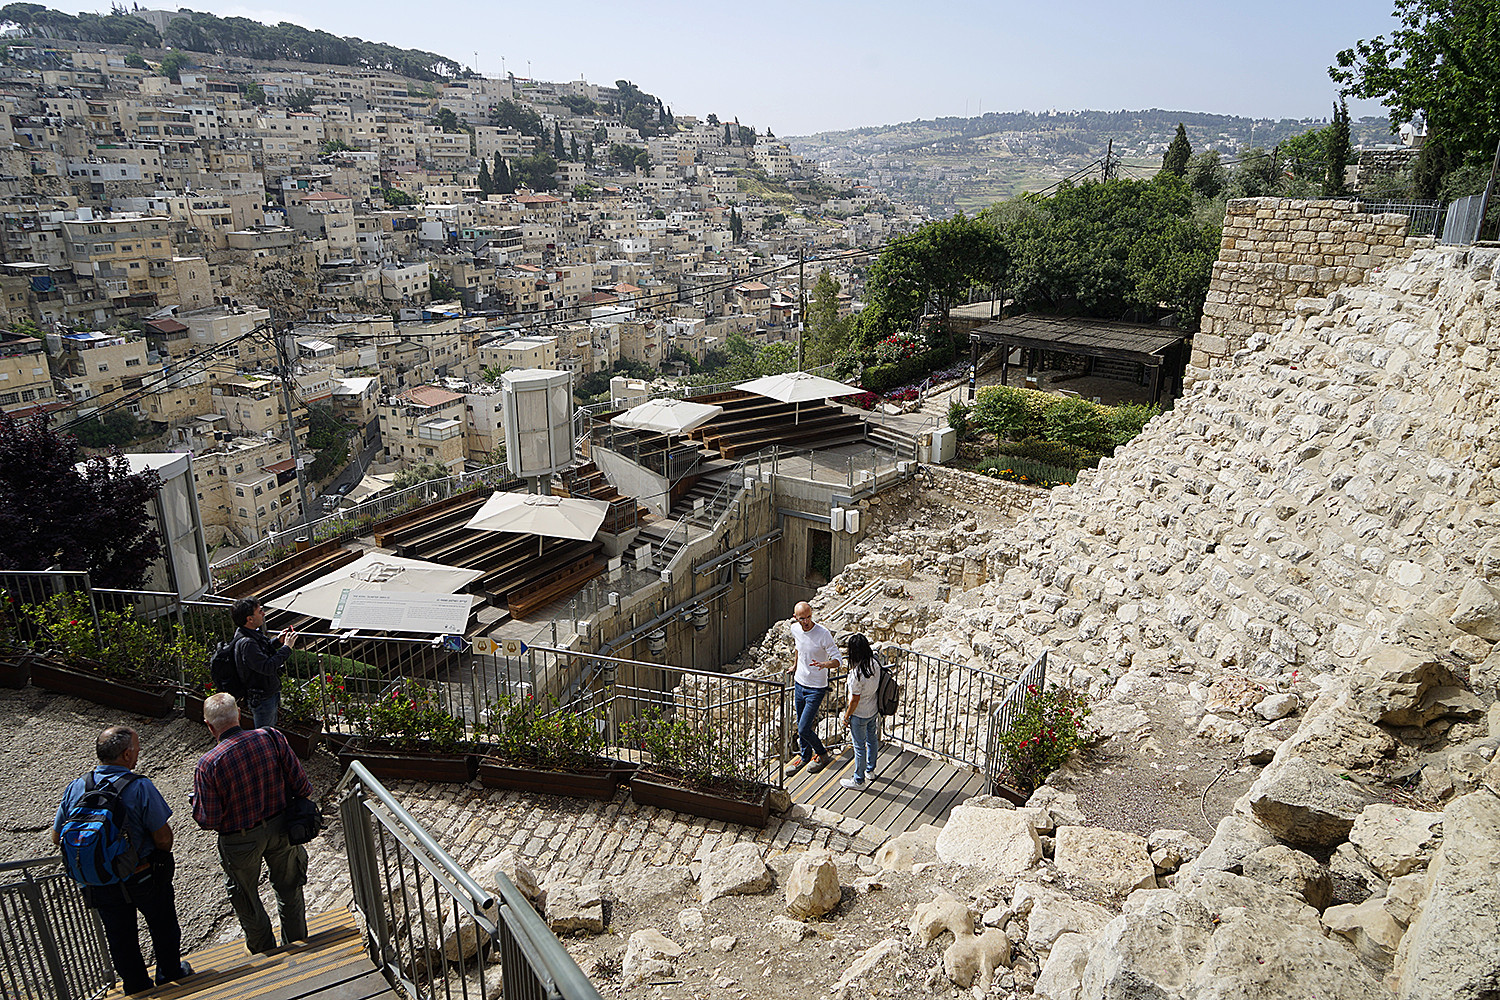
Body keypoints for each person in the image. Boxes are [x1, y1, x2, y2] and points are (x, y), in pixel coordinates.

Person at [53, 727, 191, 994]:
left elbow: (58, 837)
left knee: (119, 935)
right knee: (163, 925)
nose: (138, 753)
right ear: (127, 754)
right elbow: (162, 836)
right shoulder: (139, 786)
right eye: (137, 748)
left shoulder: (77, 786)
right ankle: (170, 973)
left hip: (101, 880)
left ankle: (136, 985)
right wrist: (162, 857)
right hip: (142, 874)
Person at [192, 693, 313, 955]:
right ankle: (297, 943)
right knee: (289, 888)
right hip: (282, 827)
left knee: (246, 896)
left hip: (240, 839)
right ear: (238, 714)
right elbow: (302, 786)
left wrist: (196, 803)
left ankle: (264, 952)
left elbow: (208, 820)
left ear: (209, 726)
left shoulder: (208, 764)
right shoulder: (271, 737)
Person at [785, 600, 840, 774]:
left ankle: (822, 754)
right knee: (801, 723)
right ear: (796, 618)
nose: (806, 621)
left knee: (803, 727)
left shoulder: (823, 633)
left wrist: (825, 664)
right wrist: (795, 666)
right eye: (802, 618)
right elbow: (798, 648)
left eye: (809, 617)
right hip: (799, 683)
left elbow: (838, 660)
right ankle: (804, 756)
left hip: (816, 687)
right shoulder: (795, 629)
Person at [230, 597, 297, 729]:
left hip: (266, 692)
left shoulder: (247, 634)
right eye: (260, 611)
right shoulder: (247, 642)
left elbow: (259, 654)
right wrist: (287, 648)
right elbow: (267, 666)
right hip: (263, 697)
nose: (263, 614)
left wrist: (277, 641)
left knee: (270, 728)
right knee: (265, 733)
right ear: (249, 619)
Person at [839, 633, 881, 790]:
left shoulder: (856, 674)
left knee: (859, 747)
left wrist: (846, 716)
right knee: (872, 740)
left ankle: (859, 780)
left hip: (859, 714)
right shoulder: (875, 664)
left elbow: (854, 700)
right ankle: (870, 770)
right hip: (873, 709)